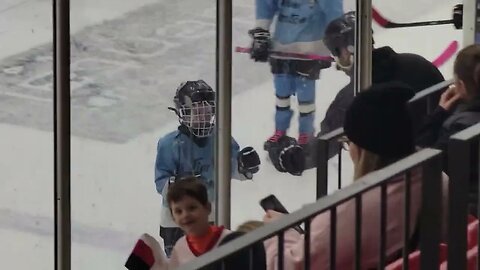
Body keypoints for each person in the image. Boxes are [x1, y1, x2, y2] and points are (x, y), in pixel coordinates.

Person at [262, 83, 449, 269]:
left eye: (349, 142)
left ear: (363, 150)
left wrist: (280, 233)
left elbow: (290, 266)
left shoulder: (356, 211)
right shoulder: (436, 177)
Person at [268, 11, 446, 175]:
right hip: (446, 156)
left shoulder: (354, 98)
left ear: (346, 51)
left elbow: (323, 147)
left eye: (335, 52)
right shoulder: (416, 62)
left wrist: (290, 158)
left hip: (404, 176)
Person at [154, 80, 261, 256]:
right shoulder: (169, 144)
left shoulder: (220, 138)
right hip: (176, 220)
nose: (203, 116)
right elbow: (161, 182)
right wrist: (177, 187)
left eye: (207, 111)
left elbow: (231, 167)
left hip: (209, 214)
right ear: (184, 112)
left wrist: (245, 166)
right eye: (197, 112)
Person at [248, 0, 343, 152]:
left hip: (309, 48)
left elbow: (333, 8)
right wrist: (261, 31)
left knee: (305, 95)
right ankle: (280, 130)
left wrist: (338, 38)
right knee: (282, 92)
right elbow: (266, 3)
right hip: (282, 45)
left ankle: (305, 133)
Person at [416, 44, 480, 215]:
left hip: (466, 213)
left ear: (461, 86)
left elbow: (424, 162)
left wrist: (439, 114)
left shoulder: (458, 127)